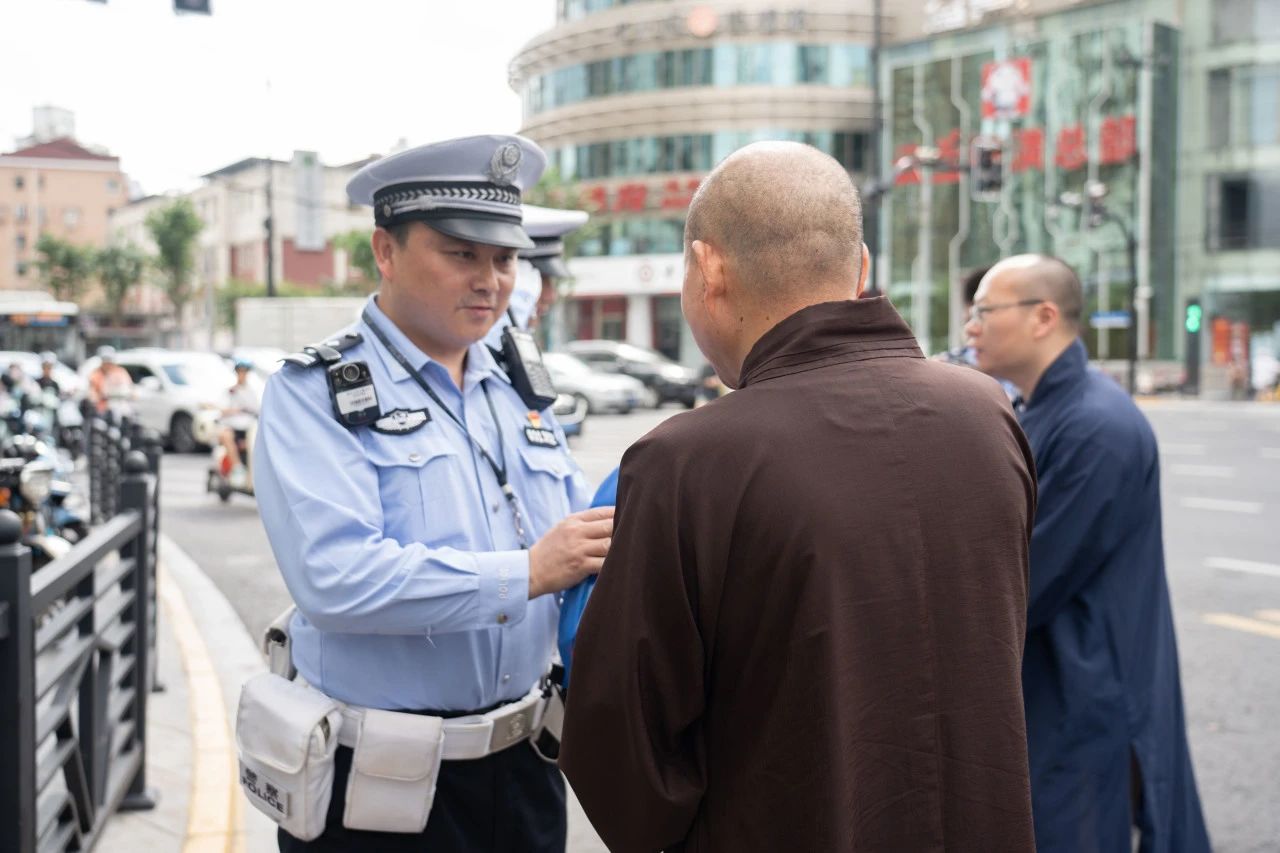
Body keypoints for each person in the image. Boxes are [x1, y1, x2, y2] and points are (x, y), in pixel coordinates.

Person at [559, 141, 1038, 852]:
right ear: (861, 268)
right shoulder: (985, 410)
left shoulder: (686, 460)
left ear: (707, 269)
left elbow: (623, 736)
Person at [252, 135, 612, 852]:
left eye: (505, 259)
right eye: (462, 254)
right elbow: (336, 579)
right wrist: (526, 572)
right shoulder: (314, 393)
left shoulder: (516, 384)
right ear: (385, 250)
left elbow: (578, 539)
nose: (490, 282)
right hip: (381, 790)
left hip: (525, 767)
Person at [966, 255, 1210, 852]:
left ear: (1044, 317)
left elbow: (1027, 579)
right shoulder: (1047, 408)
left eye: (984, 311)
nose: (970, 326)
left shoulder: (1096, 426)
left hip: (1084, 695)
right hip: (1060, 686)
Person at [219, 359, 259, 485]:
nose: (242, 374)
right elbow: (222, 410)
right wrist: (236, 410)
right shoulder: (230, 391)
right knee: (225, 435)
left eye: (244, 372)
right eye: (240, 372)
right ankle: (237, 468)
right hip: (233, 427)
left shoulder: (252, 392)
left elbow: (257, 411)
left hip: (248, 428)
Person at [87, 346, 133, 414]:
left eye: (109, 361)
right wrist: (98, 397)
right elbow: (92, 393)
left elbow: (129, 389)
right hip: (101, 409)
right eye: (105, 361)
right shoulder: (95, 374)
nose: (107, 364)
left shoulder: (120, 372)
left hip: (120, 406)